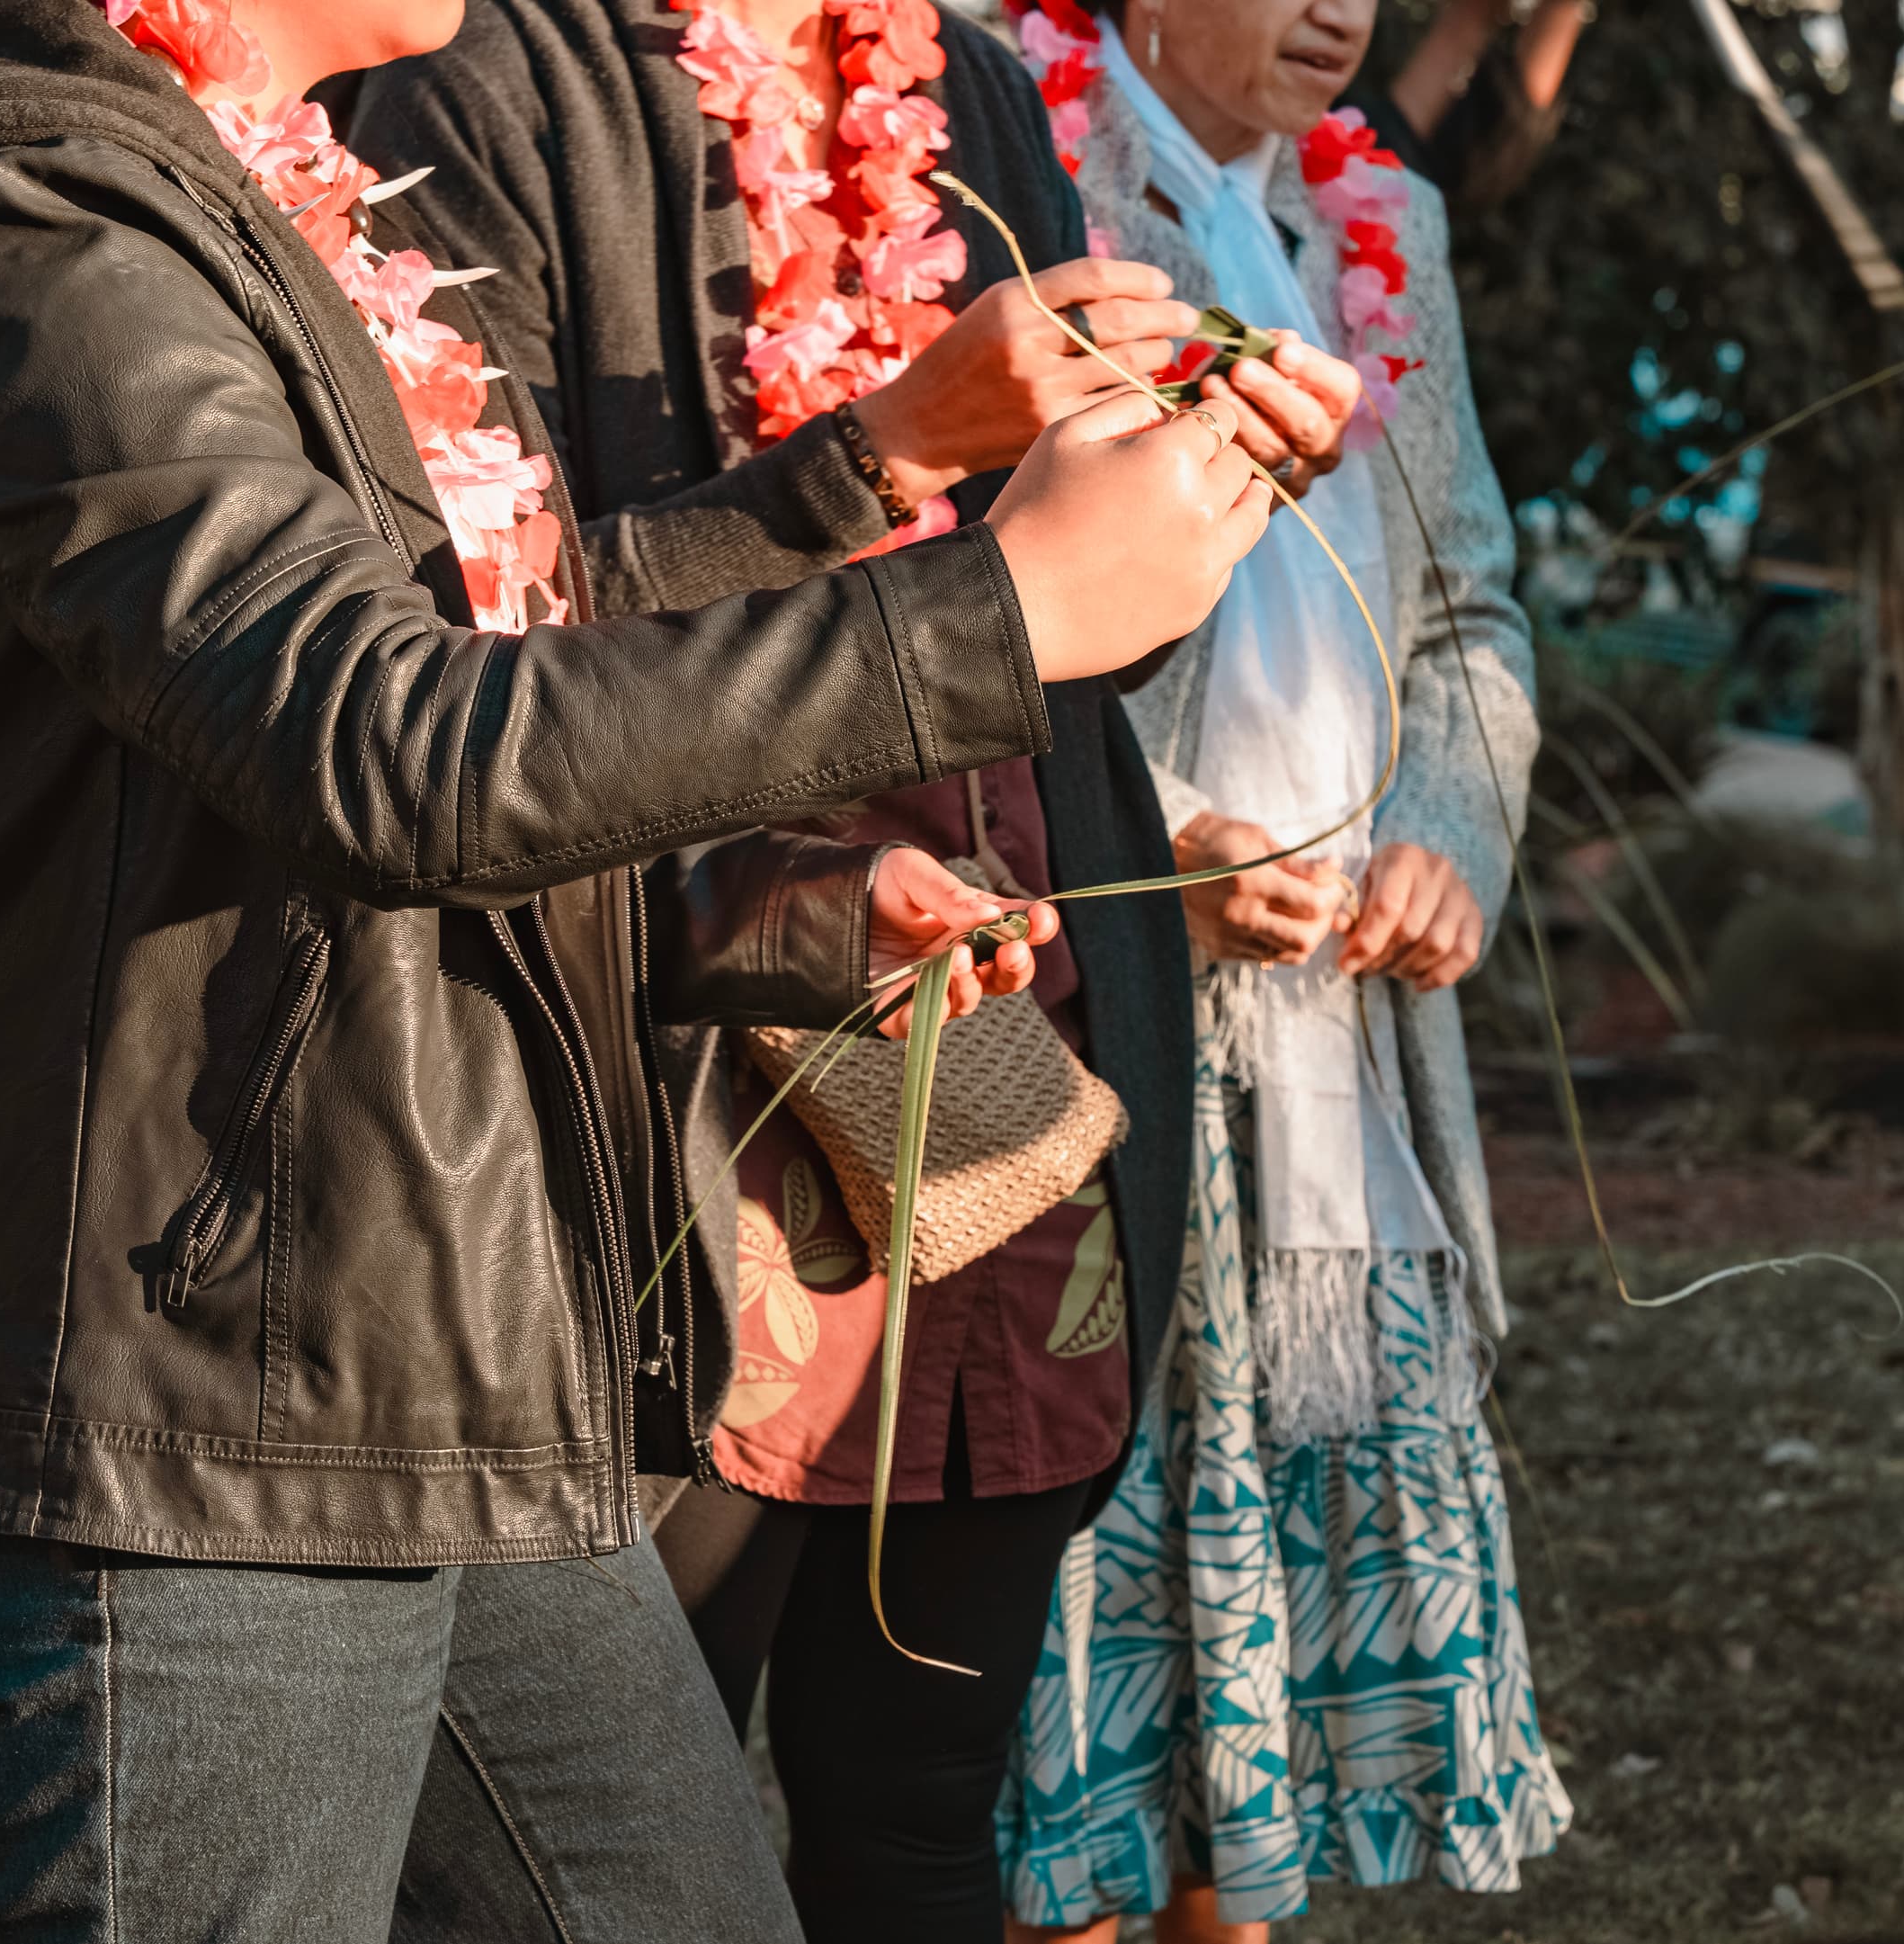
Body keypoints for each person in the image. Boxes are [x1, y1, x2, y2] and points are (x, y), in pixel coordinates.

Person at [0, 0, 1278, 1928]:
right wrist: (989, 611)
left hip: (448, 1355)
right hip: (194, 1419)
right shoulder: (39, 230)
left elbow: (510, 667)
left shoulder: (258, 198)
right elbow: (376, 744)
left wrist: (775, 900)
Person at [338, 4, 1361, 1938]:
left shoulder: (960, 79)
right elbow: (466, 654)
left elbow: (1067, 625)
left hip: (998, 1068)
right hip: (673, 1110)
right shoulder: (483, 70)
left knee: (922, 1814)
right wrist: (873, 456)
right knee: (609, 1846)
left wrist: (1198, 495)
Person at [988, 0, 1567, 1936]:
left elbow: (1472, 606)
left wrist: (1449, 847)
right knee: (1070, 1697)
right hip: (1090, 1063)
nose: (1345, 10)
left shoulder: (1374, 215)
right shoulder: (1021, 164)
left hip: (1344, 1060)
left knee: (1274, 1764)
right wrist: (1155, 849)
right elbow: (947, 592)